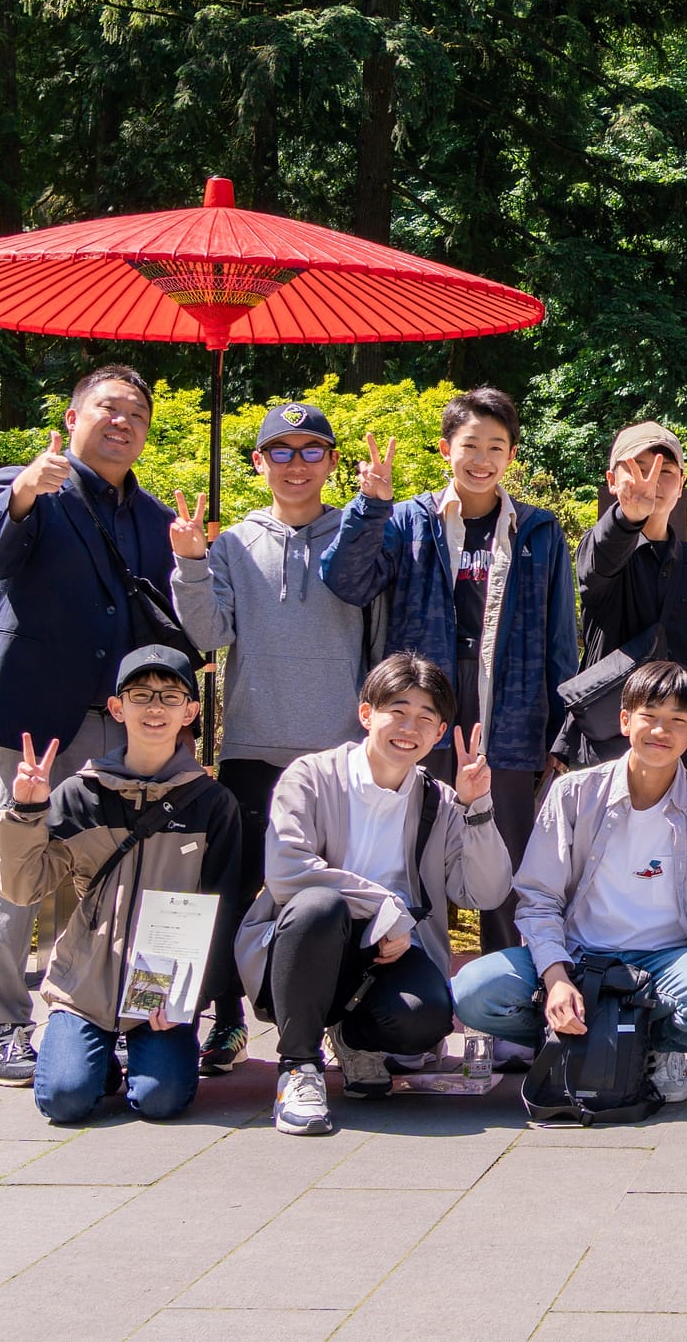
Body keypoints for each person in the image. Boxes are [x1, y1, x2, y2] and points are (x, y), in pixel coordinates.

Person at [0, 363, 178, 1086]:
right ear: (73, 416)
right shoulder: (27, 484)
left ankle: (110, 1016)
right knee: (13, 870)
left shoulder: (156, 519)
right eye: (108, 408)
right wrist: (23, 492)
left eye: (137, 415)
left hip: (123, 726)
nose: (123, 422)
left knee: (126, 869)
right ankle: (0, 1024)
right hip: (34, 719)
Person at [320, 387, 577, 951]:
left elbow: (560, 637)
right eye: (470, 445)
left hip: (509, 712)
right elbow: (346, 580)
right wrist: (369, 505)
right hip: (422, 709)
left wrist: (561, 729)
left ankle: (510, 990)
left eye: (496, 447)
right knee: (419, 853)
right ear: (445, 449)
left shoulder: (537, 530)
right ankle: (417, 986)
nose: (482, 460)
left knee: (505, 859)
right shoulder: (409, 520)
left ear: (511, 455)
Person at [452, 660, 687, 1107]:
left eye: (677, 720)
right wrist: (555, 977)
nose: (660, 731)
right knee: (473, 990)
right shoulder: (575, 793)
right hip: (578, 955)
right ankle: (570, 1033)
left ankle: (659, 1048)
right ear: (625, 720)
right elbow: (538, 899)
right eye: (649, 716)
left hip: (666, 963)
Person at [235, 654, 516, 1136]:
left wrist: (477, 807)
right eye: (397, 711)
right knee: (319, 907)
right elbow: (286, 873)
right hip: (304, 946)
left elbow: (486, 892)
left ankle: (354, 1039)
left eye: (425, 718)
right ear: (367, 714)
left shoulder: (438, 799)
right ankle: (298, 1067)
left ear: (440, 732)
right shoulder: (312, 776)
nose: (409, 728)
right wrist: (386, 906)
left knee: (424, 1020)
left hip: (390, 953)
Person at [171, 401, 367, 1077]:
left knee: (339, 895)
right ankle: (227, 1017)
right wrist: (191, 562)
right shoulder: (233, 543)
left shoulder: (358, 537)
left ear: (332, 461)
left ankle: (339, 1021)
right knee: (237, 890)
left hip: (339, 751)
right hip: (252, 747)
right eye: (280, 451)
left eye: (311, 450)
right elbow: (209, 633)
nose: (296, 464)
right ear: (259, 462)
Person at [0, 646, 242, 1124]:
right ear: (116, 707)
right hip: (87, 980)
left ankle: (126, 1055)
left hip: (161, 984)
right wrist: (26, 811)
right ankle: (88, 1053)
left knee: (160, 1100)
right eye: (140, 694)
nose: (155, 707)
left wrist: (191, 996)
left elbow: (224, 905)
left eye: (170, 696)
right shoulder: (80, 794)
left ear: (191, 711)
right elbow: (24, 889)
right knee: (64, 1099)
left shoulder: (212, 803)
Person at [556, 421, 687, 769]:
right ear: (612, 481)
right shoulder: (600, 551)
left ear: (682, 484)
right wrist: (627, 516)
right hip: (613, 755)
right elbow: (599, 561)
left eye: (666, 472)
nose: (652, 482)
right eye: (639, 469)